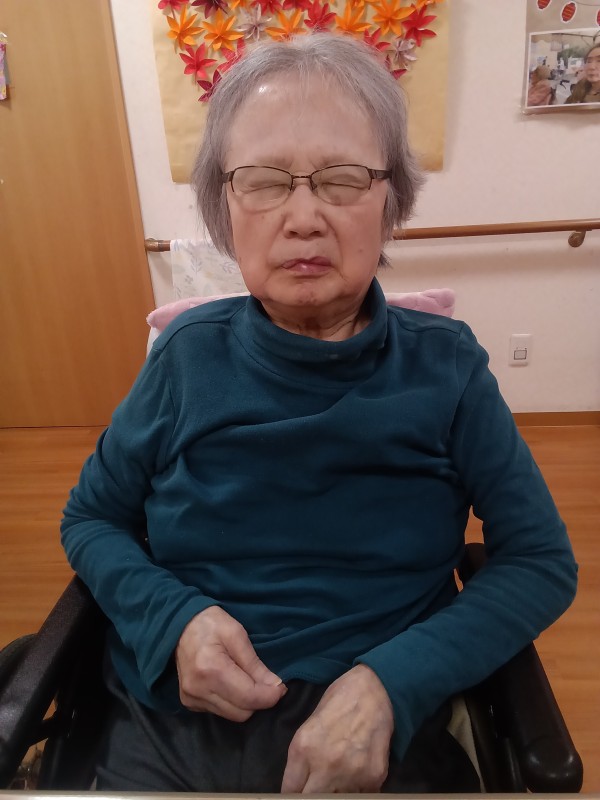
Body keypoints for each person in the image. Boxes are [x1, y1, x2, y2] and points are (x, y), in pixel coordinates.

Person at [61, 32, 578, 793]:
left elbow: (540, 562)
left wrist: (393, 683)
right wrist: (172, 622)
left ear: (390, 200)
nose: (303, 218)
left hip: (383, 728)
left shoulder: (448, 369)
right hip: (171, 719)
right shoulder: (184, 359)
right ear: (225, 206)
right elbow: (90, 518)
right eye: (264, 182)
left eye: (341, 180)